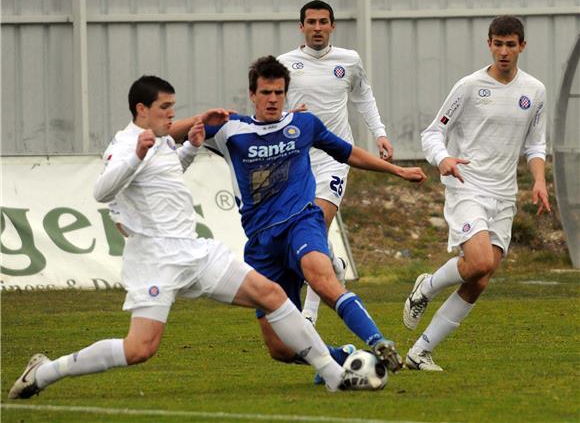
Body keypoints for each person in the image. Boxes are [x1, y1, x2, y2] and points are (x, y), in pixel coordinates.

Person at [8, 76, 380, 400]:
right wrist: (136, 157)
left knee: (273, 296)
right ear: (142, 108)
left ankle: (335, 377)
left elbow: (167, 177)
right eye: (165, 107)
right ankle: (43, 372)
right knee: (140, 348)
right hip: (156, 260)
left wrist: (190, 147)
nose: (173, 115)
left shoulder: (162, 142)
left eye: (173, 107)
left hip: (194, 250)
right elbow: (102, 192)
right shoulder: (125, 145)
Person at [185, 56, 427, 374]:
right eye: (266, 92)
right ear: (252, 94)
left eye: (278, 92)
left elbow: (349, 152)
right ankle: (345, 356)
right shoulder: (230, 130)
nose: (272, 99)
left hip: (302, 221)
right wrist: (201, 119)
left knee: (320, 275)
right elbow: (177, 132)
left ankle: (379, 342)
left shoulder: (303, 125)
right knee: (280, 349)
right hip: (262, 243)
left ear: (285, 92)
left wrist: (396, 169)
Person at [403, 16, 550, 371]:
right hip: (467, 186)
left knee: (480, 277)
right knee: (480, 261)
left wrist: (539, 181)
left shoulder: (535, 91)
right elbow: (432, 133)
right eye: (497, 44)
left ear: (522, 47)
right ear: (489, 44)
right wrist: (443, 159)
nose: (503, 52)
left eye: (510, 45)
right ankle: (427, 286)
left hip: (504, 195)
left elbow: (535, 144)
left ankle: (420, 351)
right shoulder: (469, 86)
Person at [278, 0, 394, 326]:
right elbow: (269, 110)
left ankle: (309, 316)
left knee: (315, 227)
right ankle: (333, 264)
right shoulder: (284, 64)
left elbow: (364, 97)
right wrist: (288, 117)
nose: (317, 27)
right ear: (301, 27)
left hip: (334, 158)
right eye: (311, 22)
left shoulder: (349, 61)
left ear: (332, 26)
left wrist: (380, 134)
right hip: (297, 160)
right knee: (302, 236)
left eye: (323, 22)